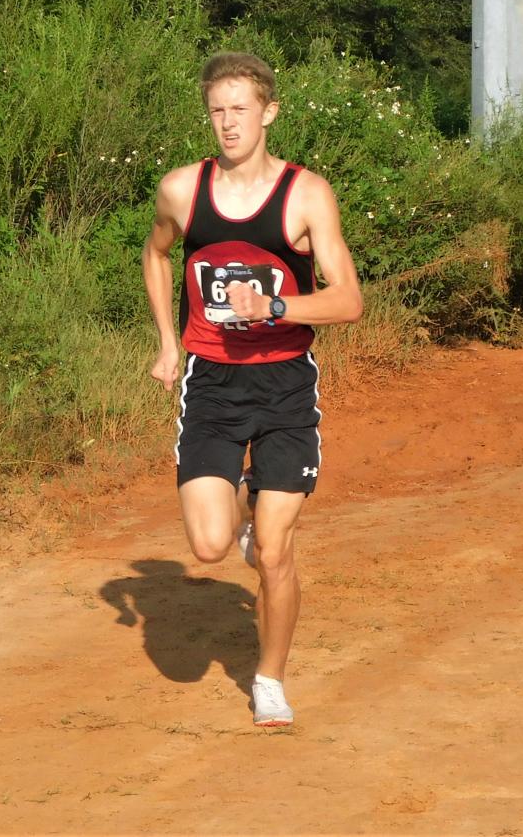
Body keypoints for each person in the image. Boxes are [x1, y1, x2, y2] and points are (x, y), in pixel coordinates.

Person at [142, 52, 362, 726]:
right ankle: (244, 493)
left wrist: (276, 309)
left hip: (284, 384)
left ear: (268, 111)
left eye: (240, 109)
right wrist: (165, 341)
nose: (228, 122)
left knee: (273, 549)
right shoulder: (182, 190)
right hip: (210, 381)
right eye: (217, 110)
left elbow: (349, 299)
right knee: (210, 546)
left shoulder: (305, 195)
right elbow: (155, 254)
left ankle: (269, 677)